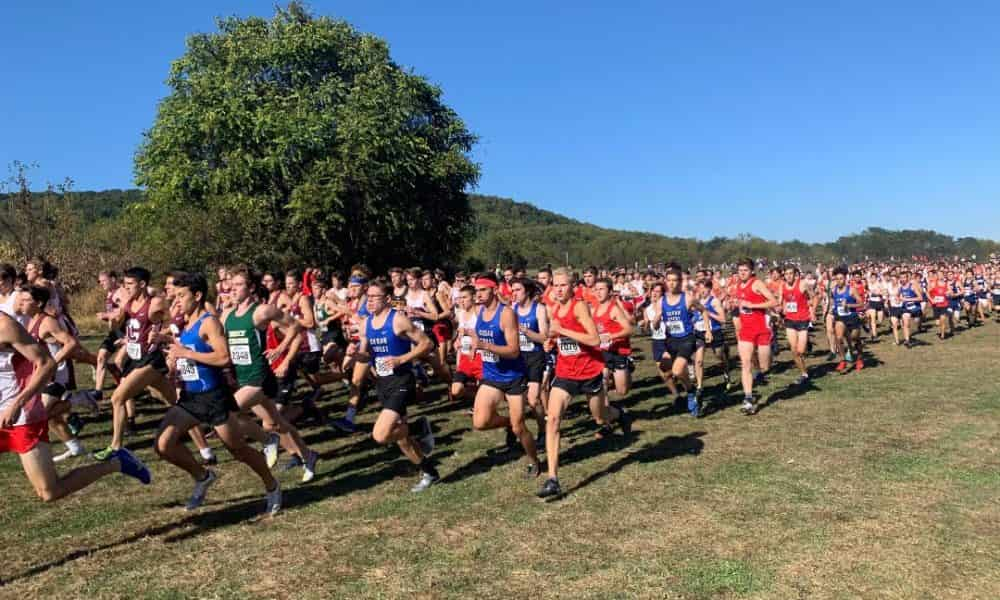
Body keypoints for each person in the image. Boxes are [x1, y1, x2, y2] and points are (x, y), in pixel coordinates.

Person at [156, 272, 282, 513]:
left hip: (214, 398)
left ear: (197, 295)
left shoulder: (209, 322)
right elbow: (189, 355)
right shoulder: (185, 324)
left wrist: (187, 354)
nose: (177, 301)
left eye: (182, 296)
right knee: (163, 445)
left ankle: (272, 485)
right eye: (175, 296)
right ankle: (203, 477)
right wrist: (176, 365)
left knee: (239, 451)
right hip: (191, 398)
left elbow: (224, 357)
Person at [0, 310, 151, 501]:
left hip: (19, 414)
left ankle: (116, 463)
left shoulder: (5, 326)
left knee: (49, 492)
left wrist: (17, 404)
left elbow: (46, 364)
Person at [538, 268, 631, 499]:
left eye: (563, 285)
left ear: (572, 287)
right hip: (566, 372)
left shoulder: (579, 306)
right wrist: (551, 342)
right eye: (555, 285)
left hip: (589, 372)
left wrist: (561, 330)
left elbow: (594, 339)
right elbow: (559, 336)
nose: (558, 289)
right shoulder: (554, 308)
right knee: (553, 419)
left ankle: (618, 414)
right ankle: (552, 478)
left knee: (600, 416)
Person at [222, 268, 320, 483]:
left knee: (229, 412)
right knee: (278, 422)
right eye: (231, 284)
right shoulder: (227, 314)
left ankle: (268, 441)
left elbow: (294, 326)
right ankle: (308, 455)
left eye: (238, 285)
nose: (232, 289)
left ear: (251, 288)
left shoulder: (262, 311)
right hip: (242, 378)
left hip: (260, 378)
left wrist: (281, 348)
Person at [351, 280, 439, 493]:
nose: (369, 301)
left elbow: (427, 343)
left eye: (375, 297)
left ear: (387, 299)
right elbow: (366, 354)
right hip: (382, 383)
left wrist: (402, 358)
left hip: (402, 380)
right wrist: (355, 354)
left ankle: (419, 427)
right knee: (402, 439)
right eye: (368, 296)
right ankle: (430, 472)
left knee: (381, 435)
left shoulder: (398, 320)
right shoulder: (365, 324)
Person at [469, 273, 541, 478]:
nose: (479, 294)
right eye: (477, 290)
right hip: (491, 375)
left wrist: (485, 345)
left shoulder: (506, 313)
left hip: (513, 377)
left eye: (483, 290)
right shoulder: (479, 311)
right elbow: (481, 335)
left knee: (520, 428)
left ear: (494, 290)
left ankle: (534, 460)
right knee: (480, 422)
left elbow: (514, 350)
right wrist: (473, 341)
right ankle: (508, 423)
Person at [652, 268, 713, 417]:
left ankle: (691, 392)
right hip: (671, 340)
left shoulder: (687, 298)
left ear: (680, 282)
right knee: (665, 369)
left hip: (686, 339)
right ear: (666, 282)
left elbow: (704, 311)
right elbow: (654, 326)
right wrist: (657, 319)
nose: (672, 283)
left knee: (678, 370)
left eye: (675, 280)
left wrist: (708, 330)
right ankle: (690, 389)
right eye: (669, 280)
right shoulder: (661, 301)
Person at [733, 258, 779, 415]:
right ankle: (748, 398)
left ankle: (769, 356)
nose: (742, 273)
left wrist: (753, 306)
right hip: (746, 330)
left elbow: (773, 301)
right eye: (740, 270)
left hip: (761, 330)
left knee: (765, 366)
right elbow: (741, 304)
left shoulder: (757, 283)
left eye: (745, 270)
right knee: (745, 364)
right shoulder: (738, 285)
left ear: (752, 271)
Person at [780, 265, 814, 385]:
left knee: (801, 350)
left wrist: (812, 309)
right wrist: (781, 309)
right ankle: (804, 374)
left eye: (790, 273)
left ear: (795, 275)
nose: (788, 276)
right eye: (786, 274)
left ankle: (807, 342)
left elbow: (813, 296)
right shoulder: (782, 286)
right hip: (790, 320)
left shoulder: (802, 284)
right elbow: (782, 300)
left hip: (803, 320)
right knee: (794, 351)